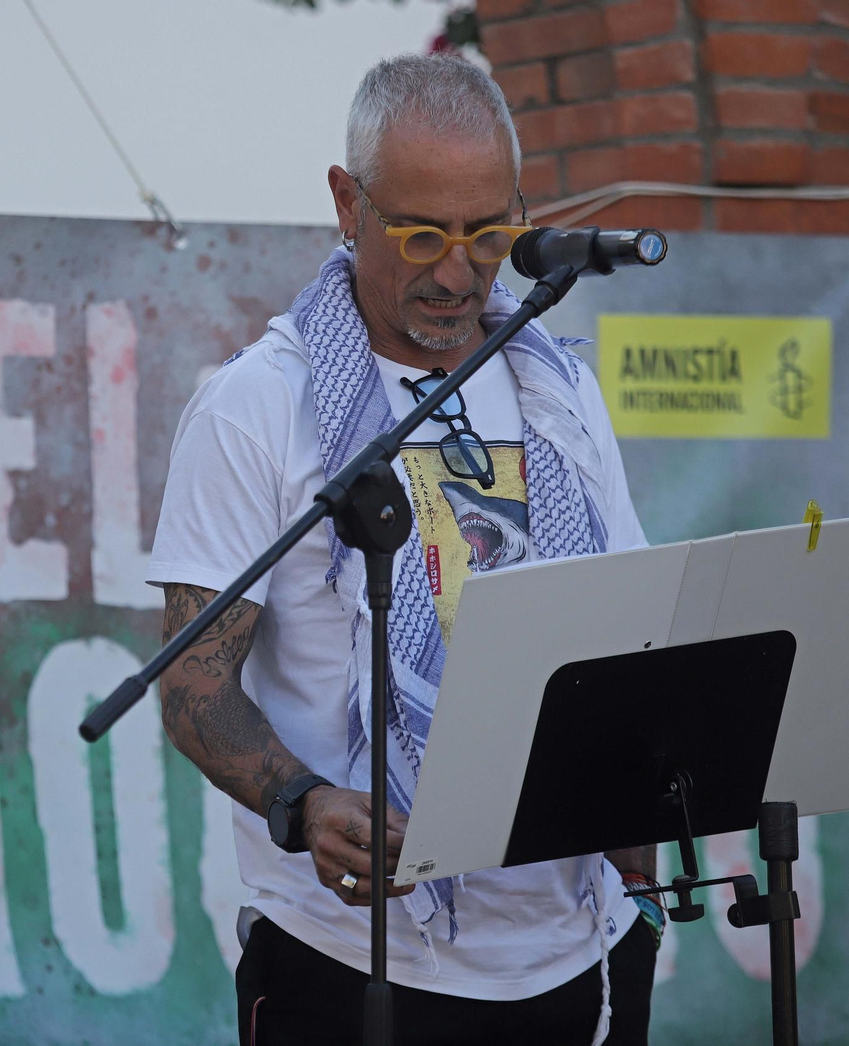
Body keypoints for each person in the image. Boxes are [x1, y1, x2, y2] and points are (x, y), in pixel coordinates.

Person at [146, 53, 662, 1046]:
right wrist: (299, 800)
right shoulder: (257, 407)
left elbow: (622, 633)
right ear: (348, 204)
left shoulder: (562, 393)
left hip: (577, 948)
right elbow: (190, 684)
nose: (459, 271)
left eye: (488, 234)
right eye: (423, 233)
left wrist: (641, 815)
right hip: (352, 961)